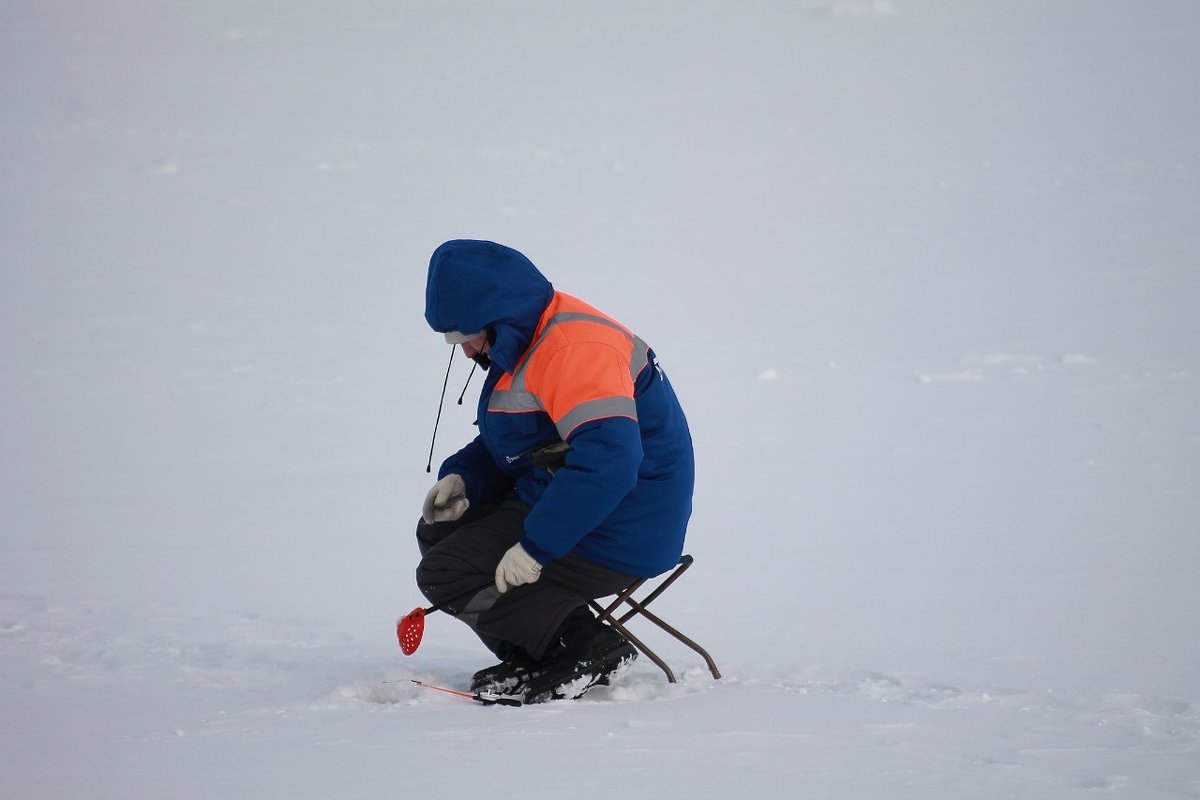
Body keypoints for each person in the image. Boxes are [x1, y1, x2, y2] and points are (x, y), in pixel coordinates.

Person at [415, 239, 695, 703]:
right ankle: (542, 648)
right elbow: (519, 440)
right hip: (579, 500)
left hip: (624, 523)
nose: (464, 352)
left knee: (446, 572)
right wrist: (465, 478)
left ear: (496, 317)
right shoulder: (526, 339)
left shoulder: (572, 350)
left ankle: (581, 648)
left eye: (464, 336)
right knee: (440, 534)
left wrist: (535, 547)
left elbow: (610, 463)